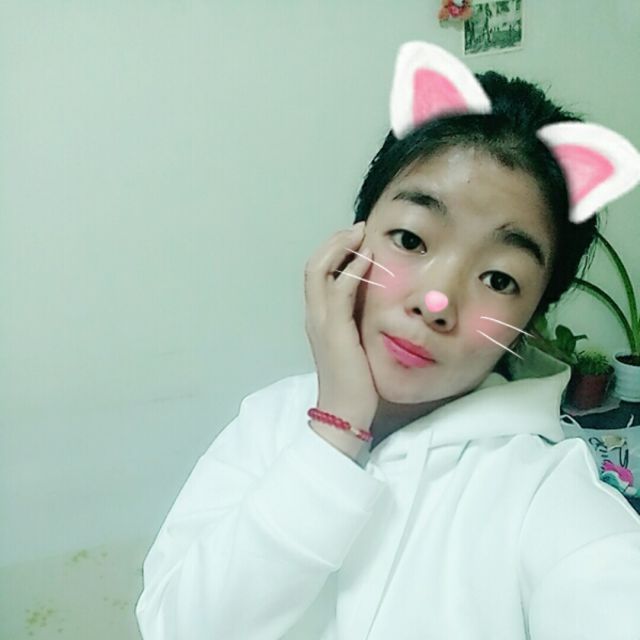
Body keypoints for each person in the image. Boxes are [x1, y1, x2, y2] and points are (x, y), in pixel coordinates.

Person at [135, 42, 640, 639]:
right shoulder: (268, 422)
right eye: (410, 239)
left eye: (499, 279)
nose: (437, 300)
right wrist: (334, 434)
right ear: (353, 237)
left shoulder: (545, 492)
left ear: (531, 319)